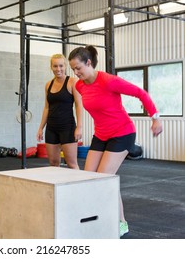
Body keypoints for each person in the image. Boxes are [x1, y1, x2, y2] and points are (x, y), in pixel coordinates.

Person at [68, 45, 163, 237]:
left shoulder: (108, 81)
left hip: (122, 133)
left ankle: (121, 222)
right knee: (88, 177)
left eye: (78, 68)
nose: (76, 73)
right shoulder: (79, 86)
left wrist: (156, 117)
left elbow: (140, 93)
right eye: (73, 69)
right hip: (101, 135)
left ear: (89, 63)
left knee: (104, 178)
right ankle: (97, 216)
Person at [36, 54, 83, 169]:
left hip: (67, 127)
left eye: (61, 66)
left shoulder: (73, 82)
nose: (58, 69)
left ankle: (77, 187)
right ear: (51, 67)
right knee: (53, 163)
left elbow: (78, 105)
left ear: (65, 66)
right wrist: (41, 128)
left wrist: (79, 127)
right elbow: (47, 107)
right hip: (51, 128)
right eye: (55, 66)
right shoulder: (48, 85)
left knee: (72, 164)